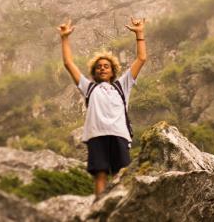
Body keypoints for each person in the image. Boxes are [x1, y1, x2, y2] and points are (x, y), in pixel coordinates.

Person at [57, 16, 147, 197]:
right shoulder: (89, 88)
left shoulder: (122, 86)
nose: (103, 69)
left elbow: (141, 58)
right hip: (96, 135)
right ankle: (101, 210)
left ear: (113, 70)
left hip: (119, 134)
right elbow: (69, 64)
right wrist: (65, 38)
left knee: (122, 176)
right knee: (100, 175)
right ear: (94, 72)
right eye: (99, 67)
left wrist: (139, 33)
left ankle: (120, 211)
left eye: (106, 66)